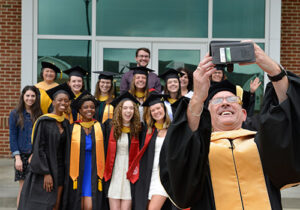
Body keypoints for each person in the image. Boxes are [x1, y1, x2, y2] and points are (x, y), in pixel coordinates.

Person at [159, 42, 300, 209]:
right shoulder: (199, 151)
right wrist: (197, 97)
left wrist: (273, 70)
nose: (225, 103)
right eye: (217, 101)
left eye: (232, 100)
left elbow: (289, 116)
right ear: (207, 116)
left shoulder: (263, 143)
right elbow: (179, 162)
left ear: (244, 114)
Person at [18, 83, 75, 210]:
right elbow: (39, 148)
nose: (63, 103)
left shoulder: (65, 123)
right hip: (46, 168)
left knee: (56, 204)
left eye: (66, 101)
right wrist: (46, 173)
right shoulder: (44, 121)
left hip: (61, 169)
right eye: (60, 100)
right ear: (53, 102)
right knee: (45, 203)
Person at [128, 92, 176, 210]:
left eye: (158, 108)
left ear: (164, 108)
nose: (156, 112)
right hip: (149, 175)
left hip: (164, 176)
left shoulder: (173, 130)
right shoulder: (148, 131)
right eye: (153, 110)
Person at [62, 92, 107, 210]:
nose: (89, 110)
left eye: (92, 107)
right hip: (75, 170)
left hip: (94, 169)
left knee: (90, 205)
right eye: (86, 107)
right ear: (80, 110)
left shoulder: (100, 127)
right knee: (77, 203)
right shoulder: (72, 128)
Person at [103, 92, 141, 210]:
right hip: (113, 172)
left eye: (131, 108)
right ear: (119, 110)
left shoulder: (139, 129)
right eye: (125, 108)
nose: (128, 111)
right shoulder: (109, 127)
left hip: (130, 173)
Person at [9, 86, 42, 207]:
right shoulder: (15, 114)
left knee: (35, 188)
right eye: (27, 95)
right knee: (23, 189)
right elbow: (12, 136)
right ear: (23, 97)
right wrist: (17, 157)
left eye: (33, 96)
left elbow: (40, 137)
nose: (30, 98)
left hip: (35, 155)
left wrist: (35, 154)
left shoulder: (39, 114)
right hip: (21, 156)